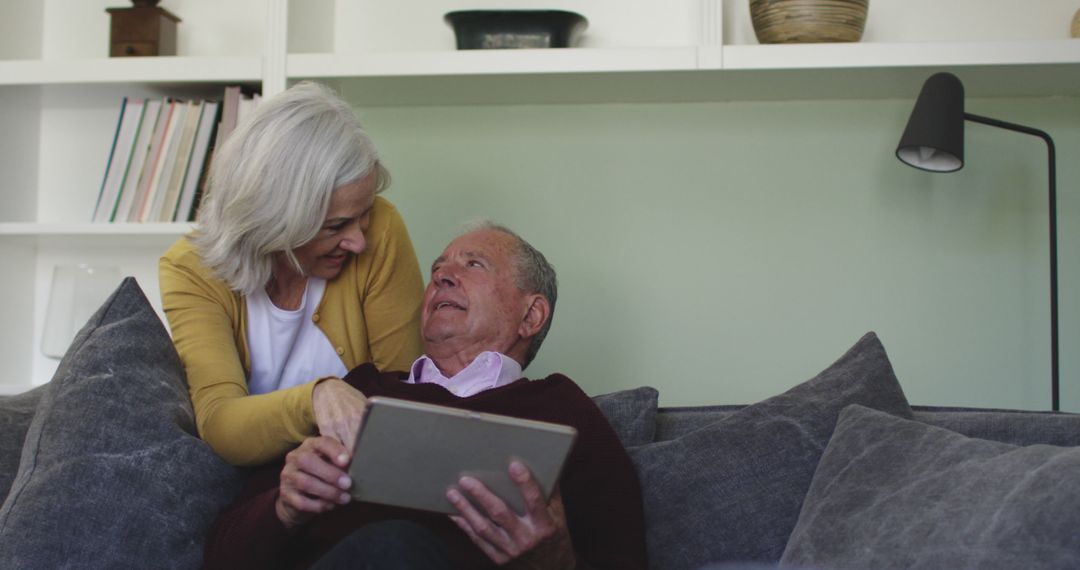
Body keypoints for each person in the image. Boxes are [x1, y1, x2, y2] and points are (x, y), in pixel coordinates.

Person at [203, 223, 648, 570]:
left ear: (531, 315)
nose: (441, 278)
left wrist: (556, 563)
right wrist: (283, 508)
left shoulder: (564, 412)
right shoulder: (363, 391)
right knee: (393, 545)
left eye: (472, 265)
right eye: (437, 270)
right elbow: (219, 556)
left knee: (399, 545)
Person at [159, 82, 425, 467]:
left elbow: (404, 400)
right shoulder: (192, 269)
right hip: (260, 492)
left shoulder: (381, 229)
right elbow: (220, 425)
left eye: (363, 214)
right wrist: (317, 398)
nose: (358, 242)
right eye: (335, 226)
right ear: (273, 221)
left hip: (357, 480)